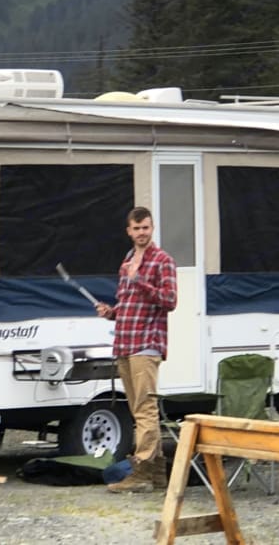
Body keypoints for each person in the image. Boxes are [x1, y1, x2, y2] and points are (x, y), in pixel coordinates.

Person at [94, 206, 177, 493]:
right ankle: (156, 475)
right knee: (136, 409)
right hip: (125, 342)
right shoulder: (127, 260)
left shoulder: (162, 261)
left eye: (146, 228)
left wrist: (139, 280)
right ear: (128, 231)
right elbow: (129, 304)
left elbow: (169, 300)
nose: (141, 233)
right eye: (136, 228)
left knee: (145, 409)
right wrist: (111, 312)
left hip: (147, 344)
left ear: (152, 229)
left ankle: (141, 473)